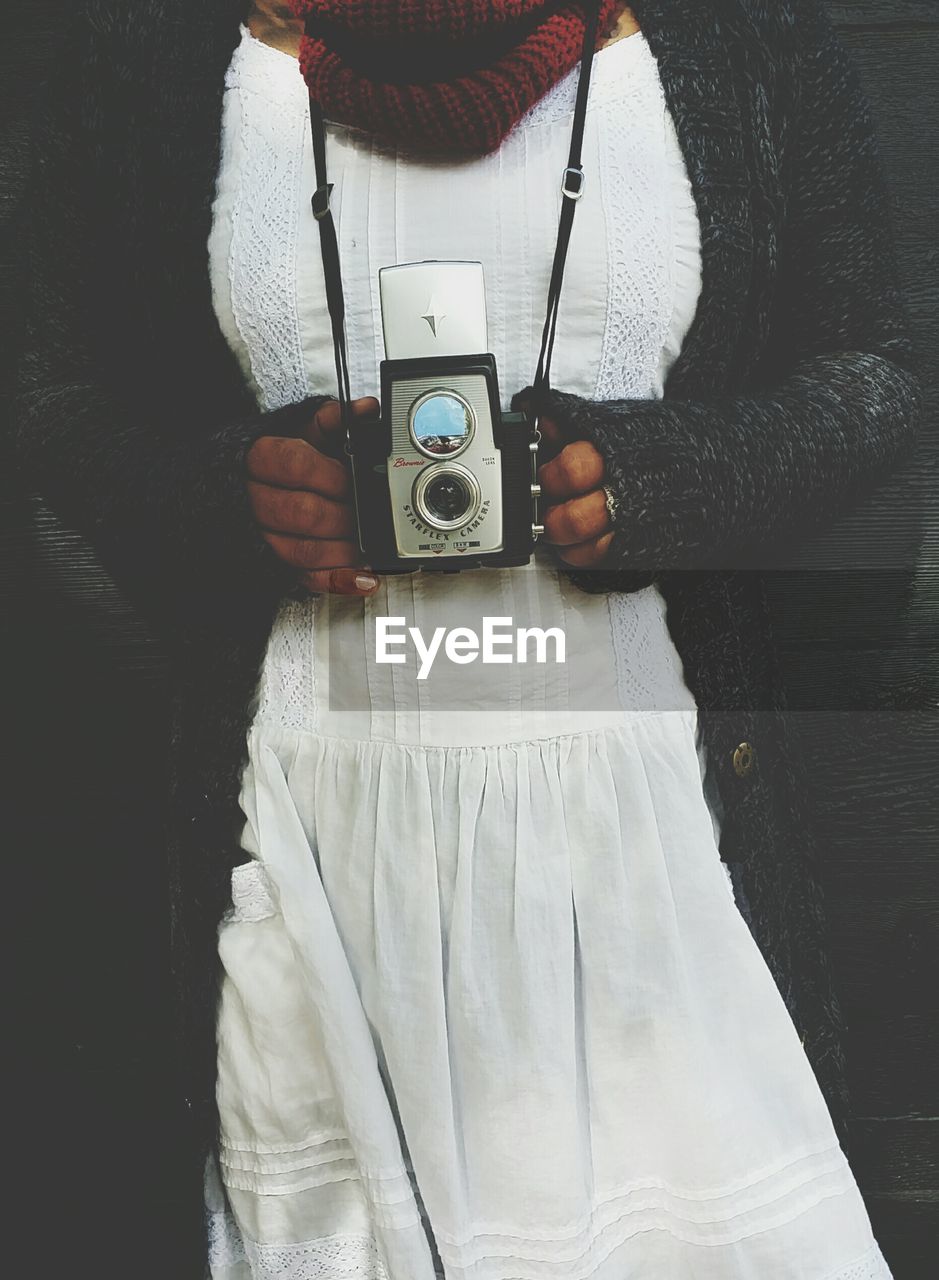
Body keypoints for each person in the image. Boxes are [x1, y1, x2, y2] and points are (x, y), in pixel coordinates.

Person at [11, 2, 922, 1278]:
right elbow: (51, 383)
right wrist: (223, 497)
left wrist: (664, 478)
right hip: (317, 837)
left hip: (638, 826)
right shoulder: (153, 46)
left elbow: (874, 365)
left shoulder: (744, 31)